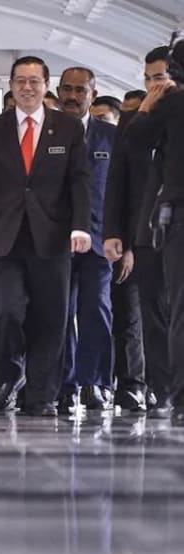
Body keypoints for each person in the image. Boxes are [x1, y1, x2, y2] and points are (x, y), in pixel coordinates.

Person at [0, 56, 91, 417]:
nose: (27, 87)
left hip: (51, 238)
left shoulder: (68, 129)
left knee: (51, 320)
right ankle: (11, 374)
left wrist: (80, 226)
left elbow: (79, 182)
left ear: (46, 85)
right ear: (11, 84)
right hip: (1, 238)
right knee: (2, 312)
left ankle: (42, 396)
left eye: (34, 81)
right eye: (20, 80)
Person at [124, 38, 184, 421]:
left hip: (178, 213)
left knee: (179, 309)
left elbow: (133, 142)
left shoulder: (172, 103)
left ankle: (180, 398)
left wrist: (146, 107)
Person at [56, 67, 117, 413]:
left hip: (99, 241)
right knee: (60, 315)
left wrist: (122, 239)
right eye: (67, 89)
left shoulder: (111, 136)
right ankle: (66, 385)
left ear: (93, 94)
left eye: (81, 90)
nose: (73, 96)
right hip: (55, 242)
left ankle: (94, 383)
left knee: (96, 309)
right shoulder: (47, 133)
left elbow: (124, 190)